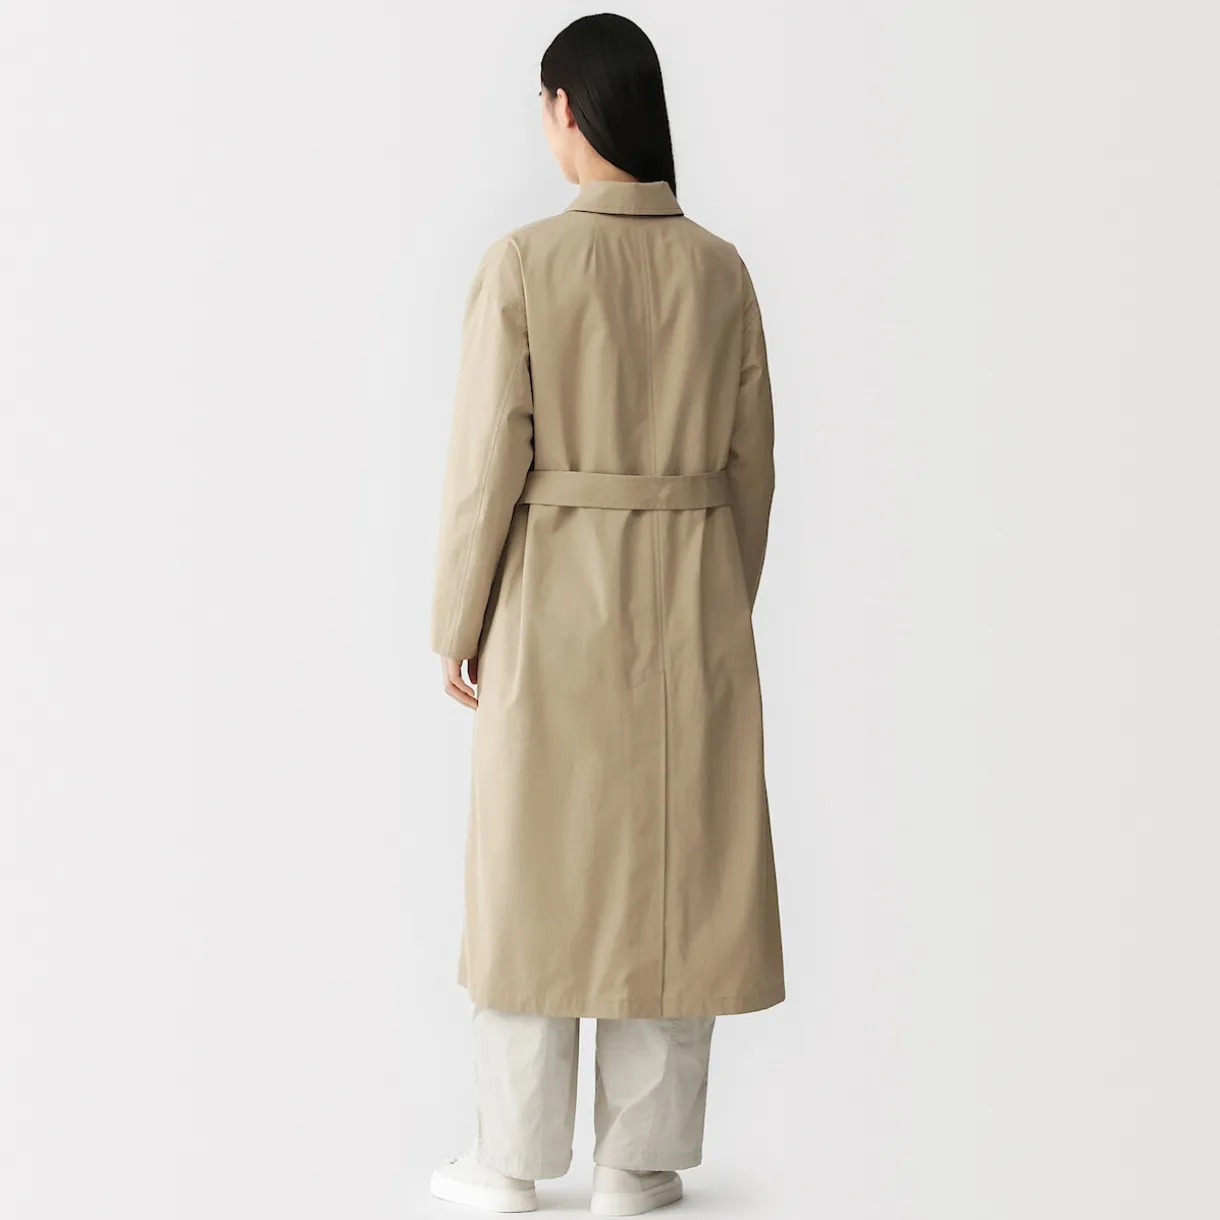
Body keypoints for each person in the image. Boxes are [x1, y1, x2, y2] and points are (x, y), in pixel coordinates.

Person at [428, 13, 783, 1216]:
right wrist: (717, 600)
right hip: (688, 602)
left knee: (533, 869)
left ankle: (510, 1159)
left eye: (544, 107)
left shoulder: (524, 264)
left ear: (566, 109)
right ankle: (637, 1161)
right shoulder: (720, 270)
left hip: (548, 603)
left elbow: (485, 461)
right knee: (671, 873)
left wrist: (457, 614)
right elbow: (751, 469)